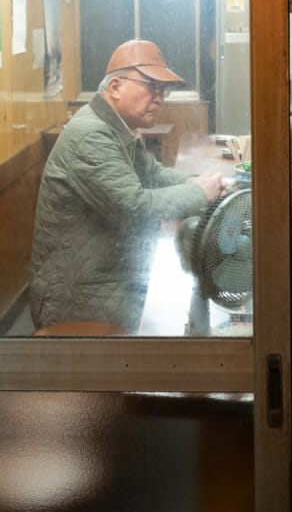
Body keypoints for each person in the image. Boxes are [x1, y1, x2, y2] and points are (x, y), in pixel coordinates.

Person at [29, 39, 225, 333]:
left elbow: (151, 173)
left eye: (164, 90)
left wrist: (195, 182)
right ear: (116, 87)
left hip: (107, 277)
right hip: (78, 297)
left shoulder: (116, 125)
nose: (160, 98)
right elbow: (135, 207)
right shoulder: (92, 137)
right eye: (151, 86)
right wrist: (199, 193)